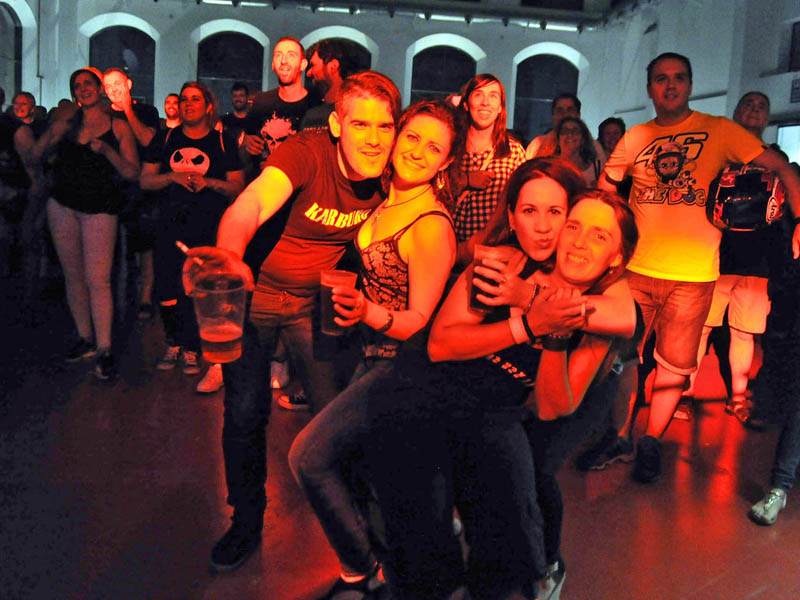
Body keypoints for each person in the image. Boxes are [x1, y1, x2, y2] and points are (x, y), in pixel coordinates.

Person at [367, 160, 638, 600]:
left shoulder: (608, 302)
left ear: (617, 257)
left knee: (533, 469)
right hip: (473, 390)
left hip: (563, 397)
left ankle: (542, 566)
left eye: (597, 235)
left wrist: (541, 317)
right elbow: (442, 344)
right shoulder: (508, 260)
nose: (571, 238)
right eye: (573, 226)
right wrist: (529, 317)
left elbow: (561, 396)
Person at [182, 71, 401, 574]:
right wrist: (229, 257)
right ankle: (245, 520)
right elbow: (251, 202)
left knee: (335, 417)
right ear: (338, 126)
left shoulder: (391, 174)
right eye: (360, 124)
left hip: (313, 304)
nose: (373, 138)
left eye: (385, 126)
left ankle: (364, 531)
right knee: (244, 414)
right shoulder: (306, 152)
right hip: (255, 299)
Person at [595, 53, 800, 484]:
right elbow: (606, 188)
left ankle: (651, 440)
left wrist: (799, 221)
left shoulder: (719, 130)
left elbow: (781, 167)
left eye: (679, 78)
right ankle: (620, 437)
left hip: (694, 276)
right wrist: (603, 238)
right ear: (649, 88)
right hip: (635, 271)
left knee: (673, 366)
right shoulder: (636, 136)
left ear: (689, 85)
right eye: (661, 79)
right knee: (623, 359)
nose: (670, 85)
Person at [287, 99, 462, 600]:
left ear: (446, 162)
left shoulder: (429, 223)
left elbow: (420, 322)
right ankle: (390, 574)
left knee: (309, 456)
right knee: (371, 478)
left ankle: (361, 568)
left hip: (404, 367)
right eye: (412, 137)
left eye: (434, 148)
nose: (418, 151)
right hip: (370, 357)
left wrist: (367, 311)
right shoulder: (385, 201)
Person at [33, 67, 139, 378]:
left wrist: (106, 150)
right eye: (77, 85)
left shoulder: (117, 126)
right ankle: (85, 338)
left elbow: (132, 172)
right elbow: (33, 156)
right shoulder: (67, 125)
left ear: (99, 88)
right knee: (73, 276)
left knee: (98, 280)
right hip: (62, 205)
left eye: (88, 83)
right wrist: (51, 136)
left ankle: (105, 348)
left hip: (100, 208)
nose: (83, 89)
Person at [140, 81, 244, 385]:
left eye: (195, 99)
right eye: (184, 99)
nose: (188, 104)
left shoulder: (223, 142)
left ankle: (191, 347)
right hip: (169, 226)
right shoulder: (165, 138)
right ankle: (173, 342)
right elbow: (144, 180)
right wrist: (171, 177)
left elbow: (237, 186)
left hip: (208, 228)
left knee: (199, 289)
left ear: (208, 106)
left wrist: (208, 182)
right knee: (167, 289)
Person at [683, 91, 775, 422]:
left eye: (761, 106)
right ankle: (685, 394)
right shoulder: (717, 154)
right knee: (701, 329)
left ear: (767, 117)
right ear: (736, 111)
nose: (754, 110)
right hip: (714, 258)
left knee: (744, 332)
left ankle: (738, 398)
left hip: (757, 263)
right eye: (748, 104)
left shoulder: (775, 159)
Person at [103, 68, 161, 321]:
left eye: (117, 83)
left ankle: (145, 297)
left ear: (128, 84)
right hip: (111, 189)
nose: (113, 89)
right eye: (108, 86)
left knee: (145, 245)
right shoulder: (102, 115)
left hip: (142, 189)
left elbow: (148, 141)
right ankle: (117, 298)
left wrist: (127, 110)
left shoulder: (147, 112)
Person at [453, 73, 526, 267]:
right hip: (449, 251)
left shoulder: (513, 152)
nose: (485, 102)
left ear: (500, 107)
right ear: (466, 104)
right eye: (478, 94)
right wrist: (466, 180)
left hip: (493, 256)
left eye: (493, 96)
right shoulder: (450, 148)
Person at [243, 38, 318, 177]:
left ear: (303, 64)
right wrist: (246, 143)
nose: (284, 61)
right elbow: (245, 151)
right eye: (278, 55)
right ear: (273, 64)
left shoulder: (315, 105)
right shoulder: (261, 102)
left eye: (291, 55)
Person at [300, 38, 360, 131]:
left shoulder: (355, 113)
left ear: (332, 67)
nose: (308, 73)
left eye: (313, 65)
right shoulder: (310, 115)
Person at [526, 92, 605, 162]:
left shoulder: (595, 148)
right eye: (559, 110)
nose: (565, 115)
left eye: (570, 110)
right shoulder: (537, 145)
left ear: (578, 115)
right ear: (553, 116)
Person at [553, 116, 605, 186]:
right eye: (565, 131)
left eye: (575, 131)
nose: (570, 134)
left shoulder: (597, 167)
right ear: (557, 139)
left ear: (583, 139)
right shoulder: (551, 168)